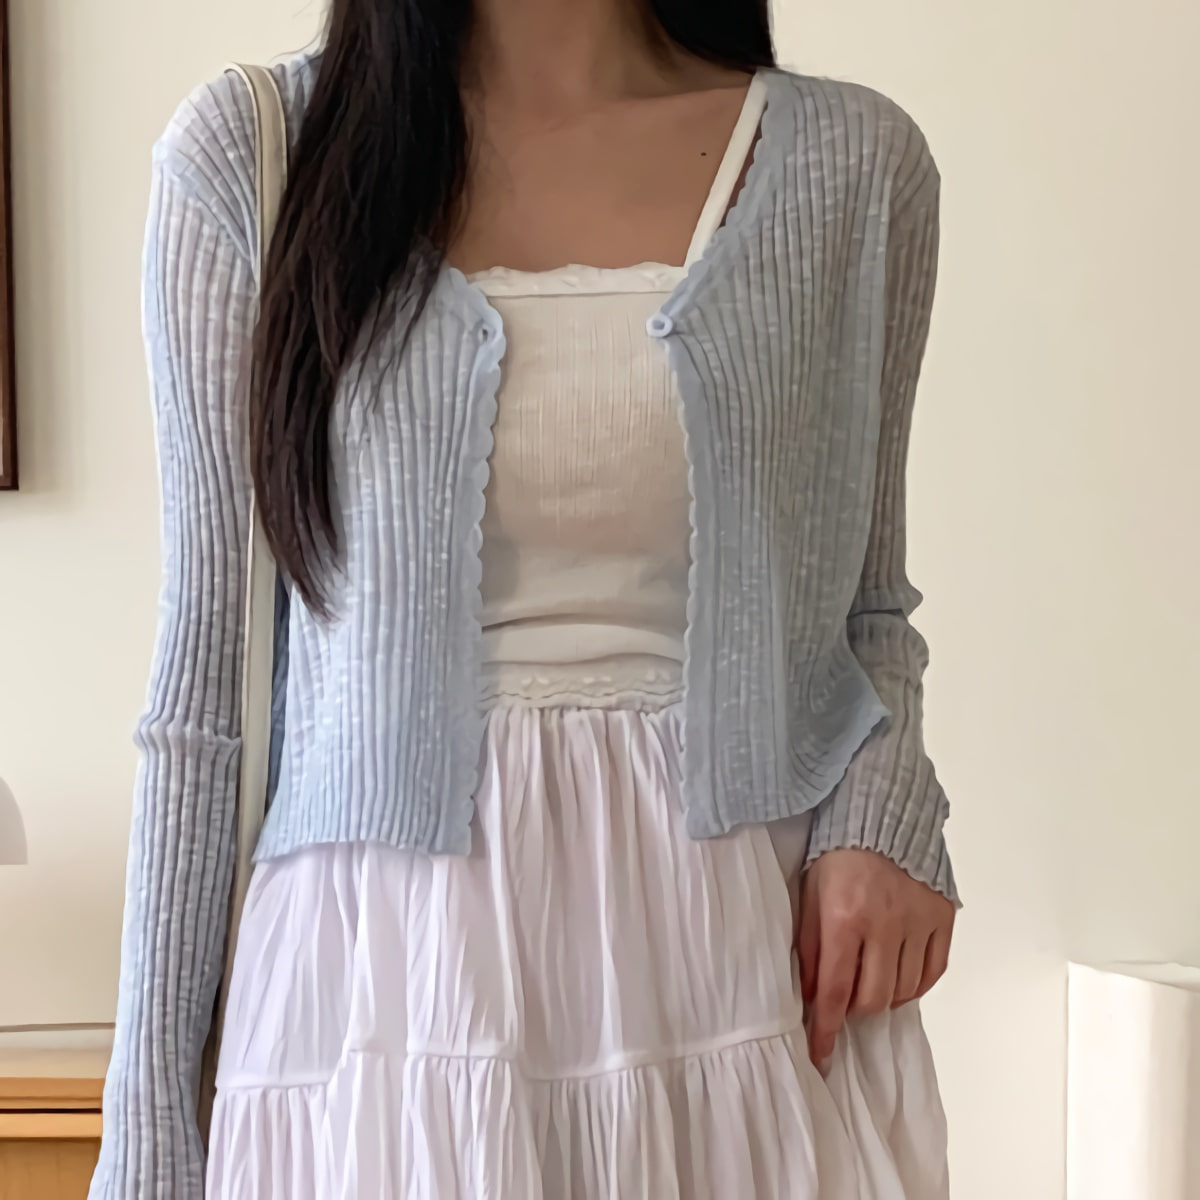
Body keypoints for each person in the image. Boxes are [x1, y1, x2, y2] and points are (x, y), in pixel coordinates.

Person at [91, 0, 959, 1196]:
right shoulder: (252, 158)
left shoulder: (854, 166)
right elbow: (204, 702)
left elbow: (867, 609)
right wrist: (144, 1146)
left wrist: (882, 814)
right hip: (381, 1006)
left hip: (740, 979)